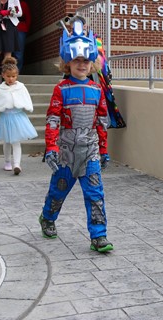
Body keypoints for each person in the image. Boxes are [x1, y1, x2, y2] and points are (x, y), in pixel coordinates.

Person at [39, 20, 114, 253]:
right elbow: (53, 119)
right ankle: (47, 217)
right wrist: (51, 147)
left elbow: (102, 122)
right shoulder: (60, 89)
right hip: (66, 153)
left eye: (86, 60)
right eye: (76, 60)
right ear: (67, 62)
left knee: (95, 194)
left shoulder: (97, 90)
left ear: (92, 63)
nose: (81, 64)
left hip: (90, 150)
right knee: (58, 190)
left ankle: (99, 236)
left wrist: (103, 149)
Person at [0, 56, 38, 175]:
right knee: (7, 141)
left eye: (13, 76)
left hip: (18, 116)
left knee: (16, 141)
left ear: (16, 75)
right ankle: (7, 162)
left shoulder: (21, 87)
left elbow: (26, 99)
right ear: (3, 75)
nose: (11, 79)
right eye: (8, 76)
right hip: (6, 117)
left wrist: (26, 106)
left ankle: (17, 164)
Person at [13, 0, 31, 72]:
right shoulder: (7, 3)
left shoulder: (23, 4)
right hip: (9, 29)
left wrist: (26, 28)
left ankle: (17, 71)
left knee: (19, 52)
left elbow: (28, 17)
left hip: (20, 29)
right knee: (8, 51)